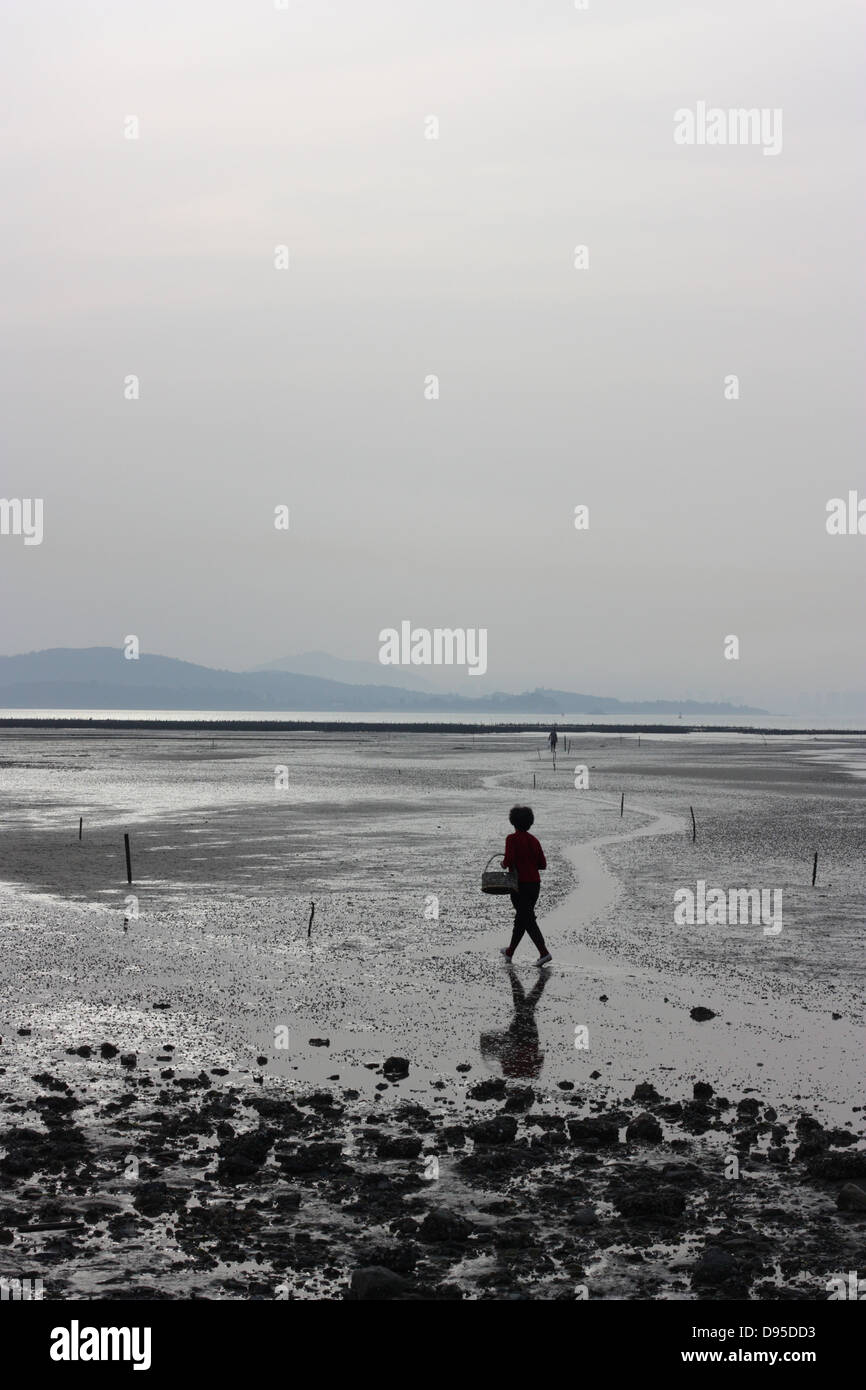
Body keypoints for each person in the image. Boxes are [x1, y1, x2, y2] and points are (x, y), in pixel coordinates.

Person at [499, 805, 552, 965]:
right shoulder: (534, 840)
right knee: (522, 918)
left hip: (519, 885)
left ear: (513, 822)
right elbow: (542, 865)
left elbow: (508, 860)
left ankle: (544, 953)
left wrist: (503, 864)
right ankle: (509, 952)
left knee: (527, 919)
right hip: (534, 885)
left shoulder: (511, 839)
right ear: (529, 822)